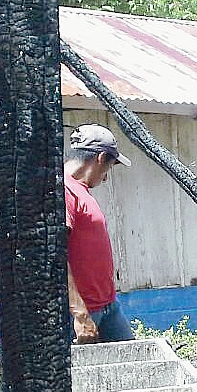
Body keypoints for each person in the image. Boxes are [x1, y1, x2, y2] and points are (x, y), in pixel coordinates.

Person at [64, 124, 134, 343]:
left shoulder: (80, 191)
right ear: (101, 157)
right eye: (109, 168)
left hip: (108, 306)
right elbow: (55, 258)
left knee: (133, 367)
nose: (105, 178)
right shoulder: (63, 190)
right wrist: (80, 314)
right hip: (83, 312)